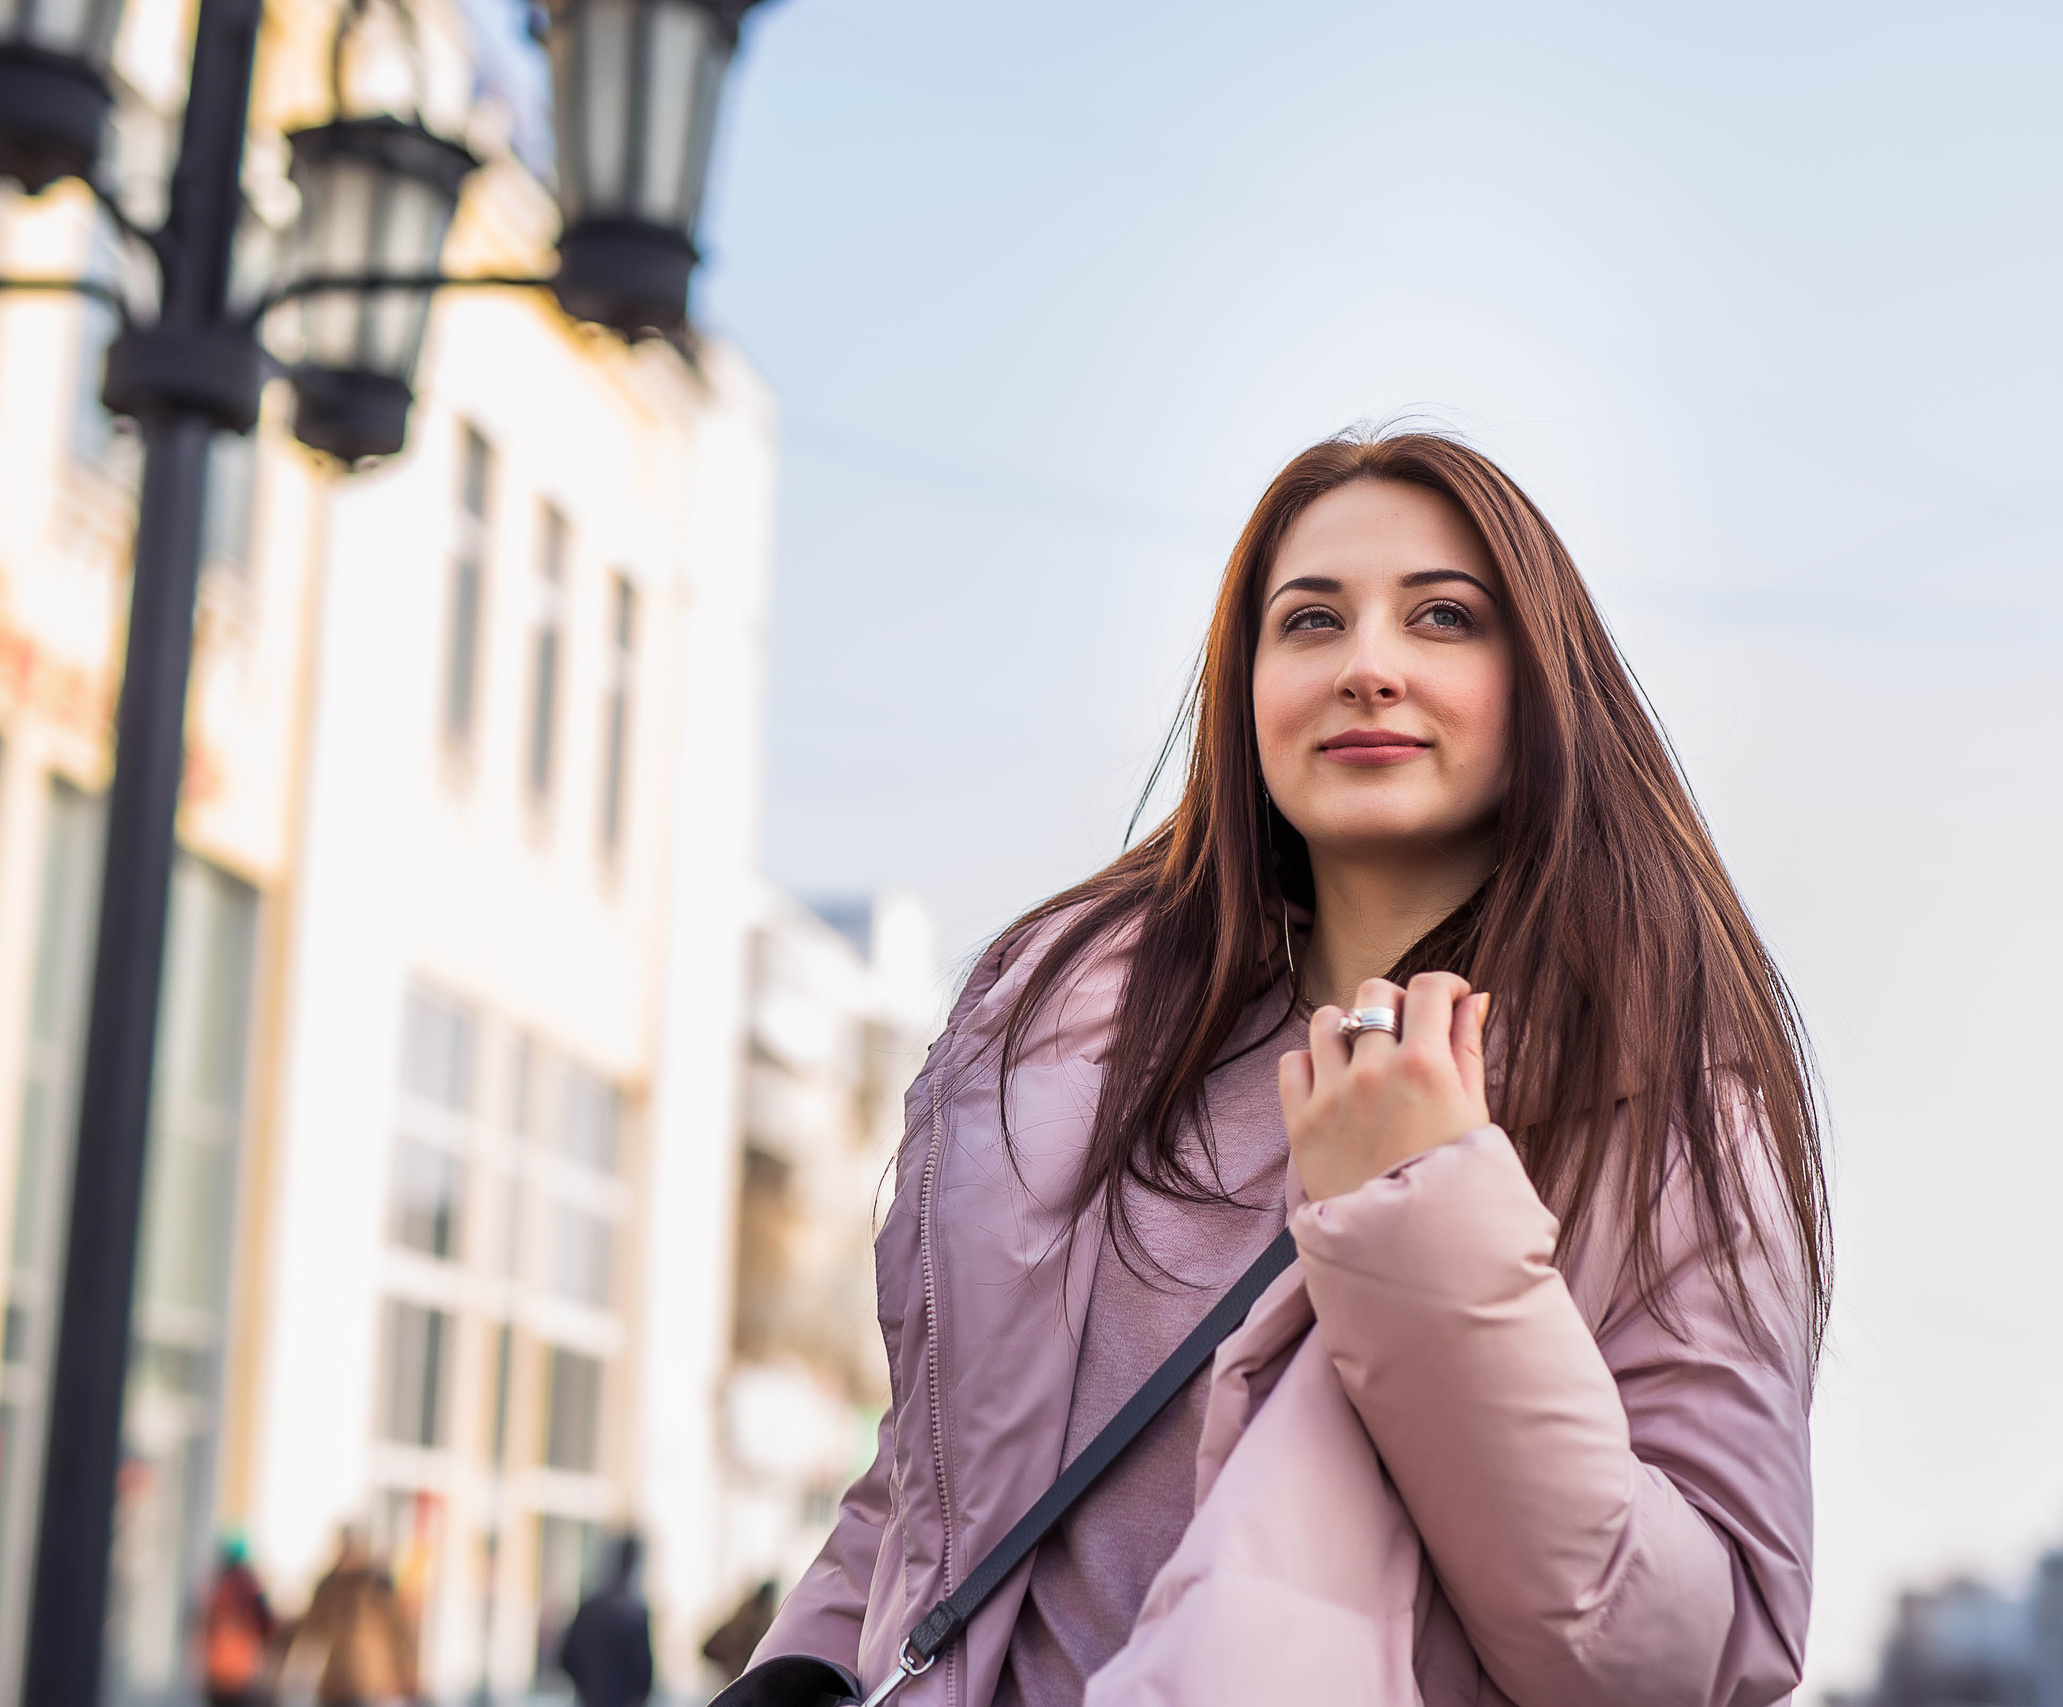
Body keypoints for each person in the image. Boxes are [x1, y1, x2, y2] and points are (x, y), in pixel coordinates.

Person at [742, 430, 1830, 1707]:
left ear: (1541, 682)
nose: (1368, 667)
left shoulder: (1659, 1094)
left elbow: (1690, 1655)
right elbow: (950, 1484)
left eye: (1442, 617)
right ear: (1244, 686)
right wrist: (805, 1658)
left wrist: (1421, 1222)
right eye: (1310, 622)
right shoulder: (1066, 1042)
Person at [285, 1528, 417, 1707]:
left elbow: (397, 1632)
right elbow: (310, 1628)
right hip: (337, 1684)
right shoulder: (329, 1586)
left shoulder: (377, 1586)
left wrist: (405, 1674)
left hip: (370, 1686)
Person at [558, 1532, 655, 1707]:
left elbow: (566, 1657)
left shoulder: (590, 1608)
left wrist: (587, 1684)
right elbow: (644, 1678)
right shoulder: (635, 1614)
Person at [198, 1535, 277, 1707]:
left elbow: (205, 1625)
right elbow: (268, 1623)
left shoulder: (217, 1586)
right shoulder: (251, 1587)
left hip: (217, 1669)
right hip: (240, 1669)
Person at [702, 1579, 780, 1681]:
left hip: (746, 1684)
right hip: (737, 1684)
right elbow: (709, 1648)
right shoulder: (740, 1622)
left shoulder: (767, 1629)